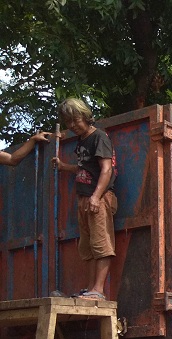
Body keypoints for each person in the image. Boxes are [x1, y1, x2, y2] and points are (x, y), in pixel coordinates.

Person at [53, 98, 118, 300]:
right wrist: (65, 167)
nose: (72, 126)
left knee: (101, 243)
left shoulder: (99, 137)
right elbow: (85, 168)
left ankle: (98, 291)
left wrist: (96, 197)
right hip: (85, 198)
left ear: (85, 116)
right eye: (68, 122)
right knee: (88, 247)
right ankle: (91, 288)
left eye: (75, 120)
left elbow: (106, 170)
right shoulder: (82, 141)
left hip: (98, 197)